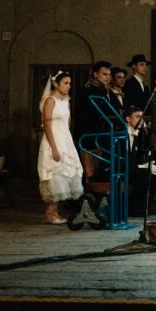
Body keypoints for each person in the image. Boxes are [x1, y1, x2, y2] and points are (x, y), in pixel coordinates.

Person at [37, 71, 84, 223]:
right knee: (54, 172)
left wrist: (68, 141)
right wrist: (54, 147)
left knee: (64, 172)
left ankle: (55, 211)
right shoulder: (50, 101)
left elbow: (67, 122)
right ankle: (50, 213)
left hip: (64, 139)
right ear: (56, 84)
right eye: (65, 83)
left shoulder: (66, 101)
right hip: (53, 139)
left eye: (70, 83)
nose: (69, 86)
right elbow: (47, 125)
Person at [73, 60, 114, 185]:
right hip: (88, 135)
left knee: (99, 168)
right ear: (95, 74)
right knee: (89, 170)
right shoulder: (87, 90)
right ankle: (89, 192)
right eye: (104, 74)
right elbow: (82, 115)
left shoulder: (102, 90)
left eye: (109, 74)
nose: (108, 77)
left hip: (99, 135)